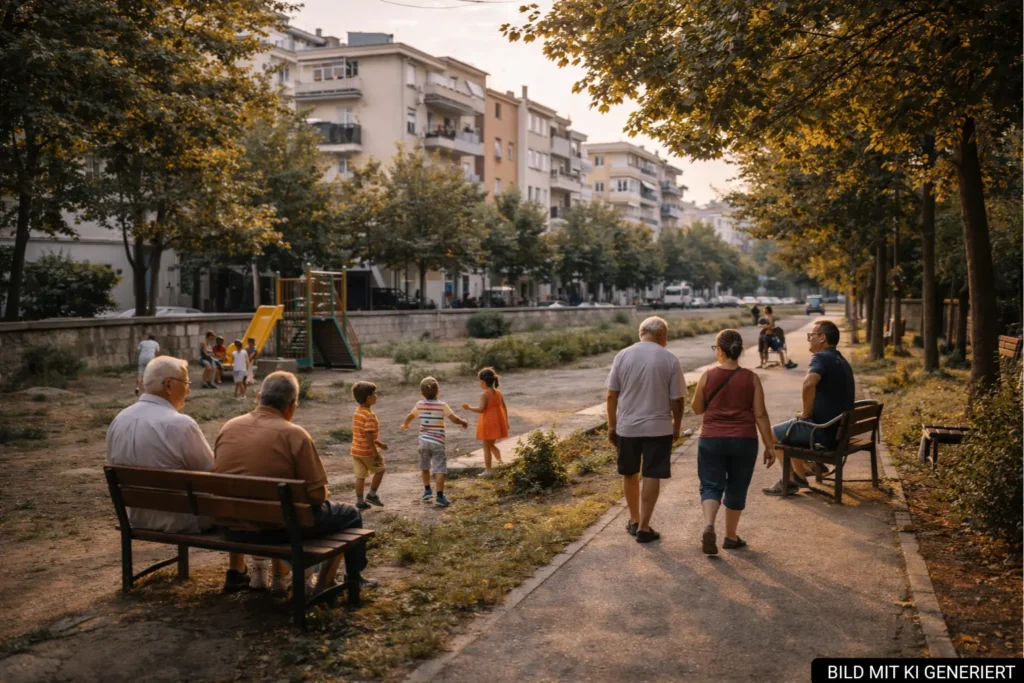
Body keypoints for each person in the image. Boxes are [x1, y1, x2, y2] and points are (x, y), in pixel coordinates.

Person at [214, 371, 373, 593]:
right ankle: (339, 581)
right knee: (350, 515)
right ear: (293, 405)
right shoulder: (295, 435)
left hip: (231, 528)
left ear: (259, 397)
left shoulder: (229, 427)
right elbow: (317, 496)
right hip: (279, 531)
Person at [691, 330, 777, 554]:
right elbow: (760, 415)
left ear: (719, 350)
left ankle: (709, 525)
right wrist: (770, 446)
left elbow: (697, 408)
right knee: (737, 487)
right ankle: (730, 536)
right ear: (739, 351)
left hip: (711, 439)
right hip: (744, 440)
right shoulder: (751, 378)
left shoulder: (707, 375)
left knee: (711, 485)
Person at [106, 356, 214, 533]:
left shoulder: (119, 420)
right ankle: (242, 561)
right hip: (184, 518)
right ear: (169, 385)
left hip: (138, 517)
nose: (188, 391)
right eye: (186, 383)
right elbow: (211, 473)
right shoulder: (181, 424)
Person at [605, 316, 686, 543]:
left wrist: (612, 425)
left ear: (641, 333)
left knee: (630, 472)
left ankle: (633, 519)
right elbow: (677, 400)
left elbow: (612, 394)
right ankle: (644, 526)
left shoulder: (623, 355)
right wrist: (676, 426)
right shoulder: (669, 358)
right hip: (659, 428)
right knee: (652, 474)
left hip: (627, 427)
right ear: (662, 334)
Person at [763, 320, 855, 496]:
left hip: (824, 433)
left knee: (772, 434)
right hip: (839, 432)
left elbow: (808, 384)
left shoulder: (820, 358)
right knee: (793, 426)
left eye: (810, 335)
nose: (808, 339)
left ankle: (790, 480)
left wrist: (806, 413)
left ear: (822, 338)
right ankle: (801, 474)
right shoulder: (841, 360)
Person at [401, 376, 469, 508]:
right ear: (438, 391)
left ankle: (427, 490)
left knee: (425, 467)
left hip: (423, 442)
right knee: (439, 469)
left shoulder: (419, 404)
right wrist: (463, 422)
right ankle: (439, 496)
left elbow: (410, 416)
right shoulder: (442, 405)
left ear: (421, 394)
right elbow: (453, 418)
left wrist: (405, 424)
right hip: (437, 443)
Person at [462, 367, 509, 478]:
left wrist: (468, 407)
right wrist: (506, 421)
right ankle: (501, 462)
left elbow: (481, 409)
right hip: (498, 422)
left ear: (482, 382)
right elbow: (504, 407)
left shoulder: (485, 395)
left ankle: (488, 470)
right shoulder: (498, 393)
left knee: (486, 447)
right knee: (491, 445)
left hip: (488, 423)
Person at [351, 381, 387, 511]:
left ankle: (360, 502)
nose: (376, 396)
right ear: (368, 398)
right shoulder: (370, 415)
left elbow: (364, 434)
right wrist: (376, 453)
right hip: (367, 451)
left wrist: (380, 443)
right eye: (374, 394)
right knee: (380, 470)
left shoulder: (357, 412)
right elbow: (369, 436)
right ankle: (372, 495)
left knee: (360, 476)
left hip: (356, 451)